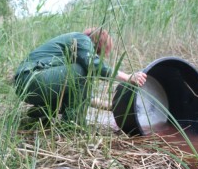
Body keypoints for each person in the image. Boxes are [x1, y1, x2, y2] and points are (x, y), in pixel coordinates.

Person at [14, 28, 147, 124]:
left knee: (78, 79)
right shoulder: (82, 39)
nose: (100, 57)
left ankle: (45, 109)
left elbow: (84, 96)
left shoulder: (72, 61)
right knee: (83, 71)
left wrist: (113, 107)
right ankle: (73, 123)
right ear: (99, 45)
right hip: (32, 77)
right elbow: (93, 65)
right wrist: (128, 77)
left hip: (26, 86)